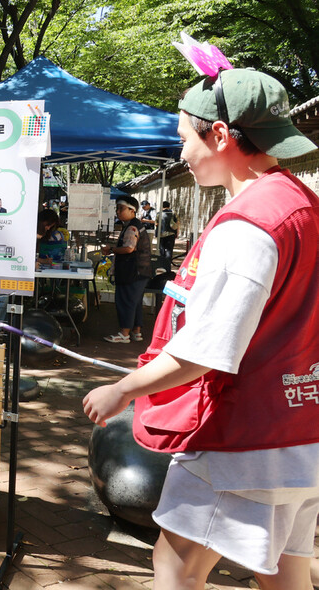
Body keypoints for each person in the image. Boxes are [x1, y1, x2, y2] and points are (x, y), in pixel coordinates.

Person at [83, 68, 319, 590]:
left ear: (220, 135)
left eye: (185, 138)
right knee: (283, 570)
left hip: (244, 437)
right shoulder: (301, 203)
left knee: (174, 566)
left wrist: (123, 389)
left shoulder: (250, 224)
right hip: (300, 427)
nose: (182, 153)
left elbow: (209, 348)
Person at [100, 195, 151, 343]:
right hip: (141, 271)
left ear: (132, 210)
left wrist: (111, 249)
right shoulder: (133, 225)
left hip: (132, 271)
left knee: (126, 301)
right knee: (135, 302)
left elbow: (129, 248)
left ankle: (124, 333)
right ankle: (136, 331)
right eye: (117, 209)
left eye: (121, 208)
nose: (118, 211)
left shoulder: (132, 227)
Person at [157, 200, 178, 270]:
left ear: (162, 206)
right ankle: (168, 265)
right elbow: (177, 223)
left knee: (161, 249)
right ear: (169, 206)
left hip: (161, 234)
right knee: (169, 249)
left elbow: (156, 224)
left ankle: (162, 264)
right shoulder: (173, 213)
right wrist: (177, 233)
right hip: (171, 233)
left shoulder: (159, 213)